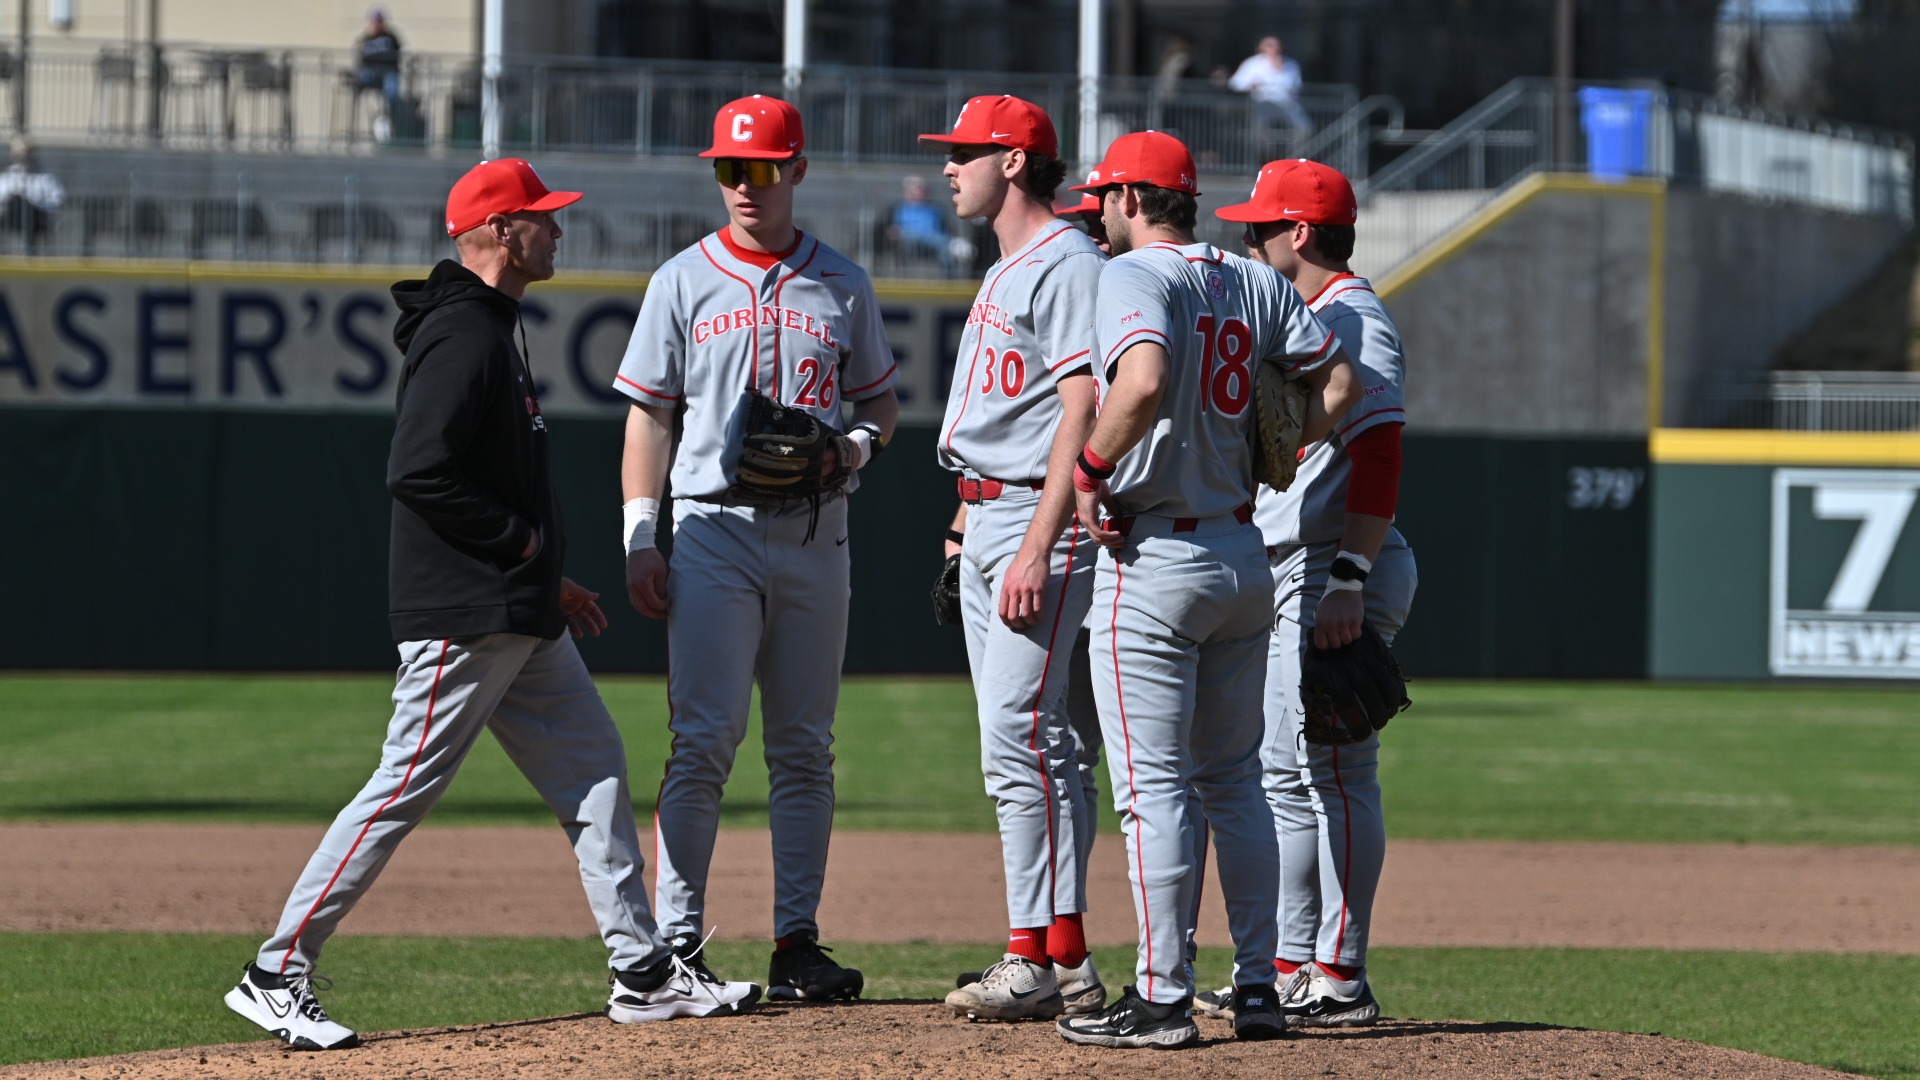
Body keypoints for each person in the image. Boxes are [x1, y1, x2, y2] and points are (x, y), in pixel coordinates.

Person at [223, 158, 758, 1053]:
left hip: (516, 610)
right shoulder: (464, 334)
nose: (558, 230)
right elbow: (418, 471)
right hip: (463, 616)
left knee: (593, 769)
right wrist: (521, 551)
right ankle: (276, 970)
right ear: (502, 231)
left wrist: (544, 579)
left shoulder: (490, 326)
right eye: (543, 218)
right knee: (400, 789)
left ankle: (642, 971)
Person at [1057, 131, 1361, 1049]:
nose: (1098, 210)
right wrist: (1286, 443)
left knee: (1156, 791)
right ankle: (1261, 988)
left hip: (1156, 557)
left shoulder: (1132, 278)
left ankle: (1159, 999)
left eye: (1105, 196)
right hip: (1240, 550)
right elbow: (1339, 381)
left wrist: (1089, 468)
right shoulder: (1253, 279)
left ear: (1131, 200)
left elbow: (1141, 379)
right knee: (1236, 784)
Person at [615, 95, 899, 1003]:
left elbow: (882, 407)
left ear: (797, 171)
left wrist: (853, 447)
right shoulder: (681, 280)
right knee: (702, 740)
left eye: (763, 168)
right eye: (729, 169)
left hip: (818, 531)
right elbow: (649, 414)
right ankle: (679, 942)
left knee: (805, 747)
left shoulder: (843, 283)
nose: (745, 184)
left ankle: (796, 943)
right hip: (712, 529)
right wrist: (638, 535)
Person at [1200, 158, 1416, 1029]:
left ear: (1298, 234)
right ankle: (1295, 965)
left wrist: (1349, 582)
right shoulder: (1308, 317)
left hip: (1336, 564)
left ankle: (1341, 974)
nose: (1247, 240)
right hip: (1296, 562)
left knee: (1332, 769)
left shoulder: (1355, 317)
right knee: (1284, 773)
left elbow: (1382, 451)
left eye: (1259, 227)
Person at [917, 95, 1107, 1023]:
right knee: (1042, 746)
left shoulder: (1066, 259)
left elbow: (1083, 408)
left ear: (1016, 163)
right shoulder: (1008, 264)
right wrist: (964, 524)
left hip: (1040, 517)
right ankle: (1056, 951)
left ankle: (1037, 952)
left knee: (1017, 739)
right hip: (992, 513)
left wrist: (1037, 539)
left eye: (966, 153)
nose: (950, 167)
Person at [1227, 36, 1313, 148]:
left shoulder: (1290, 64)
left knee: (1305, 127)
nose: (1274, 49)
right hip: (1263, 104)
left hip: (1287, 104)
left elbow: (1297, 85)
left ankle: (1292, 155)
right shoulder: (1252, 64)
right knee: (1259, 129)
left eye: (1277, 46)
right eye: (1270, 46)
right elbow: (1235, 83)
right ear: (1261, 48)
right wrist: (1251, 84)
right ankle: (1266, 156)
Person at [0, 138, 64, 253]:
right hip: (11, 217)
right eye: (20, 155)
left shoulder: (44, 176)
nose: (24, 158)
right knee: (17, 201)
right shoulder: (7, 176)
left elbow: (57, 197)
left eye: (27, 154)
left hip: (36, 218)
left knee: (27, 209)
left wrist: (38, 206)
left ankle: (30, 252)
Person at [888, 175, 959, 277]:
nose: (919, 191)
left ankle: (949, 279)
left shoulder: (935, 209)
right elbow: (893, 228)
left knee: (945, 245)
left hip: (934, 242)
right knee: (940, 241)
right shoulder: (900, 208)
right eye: (916, 188)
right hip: (910, 240)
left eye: (921, 188)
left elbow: (944, 228)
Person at [353, 8, 404, 142]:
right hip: (371, 72)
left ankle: (392, 121)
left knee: (392, 89)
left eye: (379, 21)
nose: (377, 24)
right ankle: (355, 123)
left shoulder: (391, 38)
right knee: (360, 78)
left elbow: (397, 56)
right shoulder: (365, 39)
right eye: (374, 21)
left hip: (388, 72)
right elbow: (361, 58)